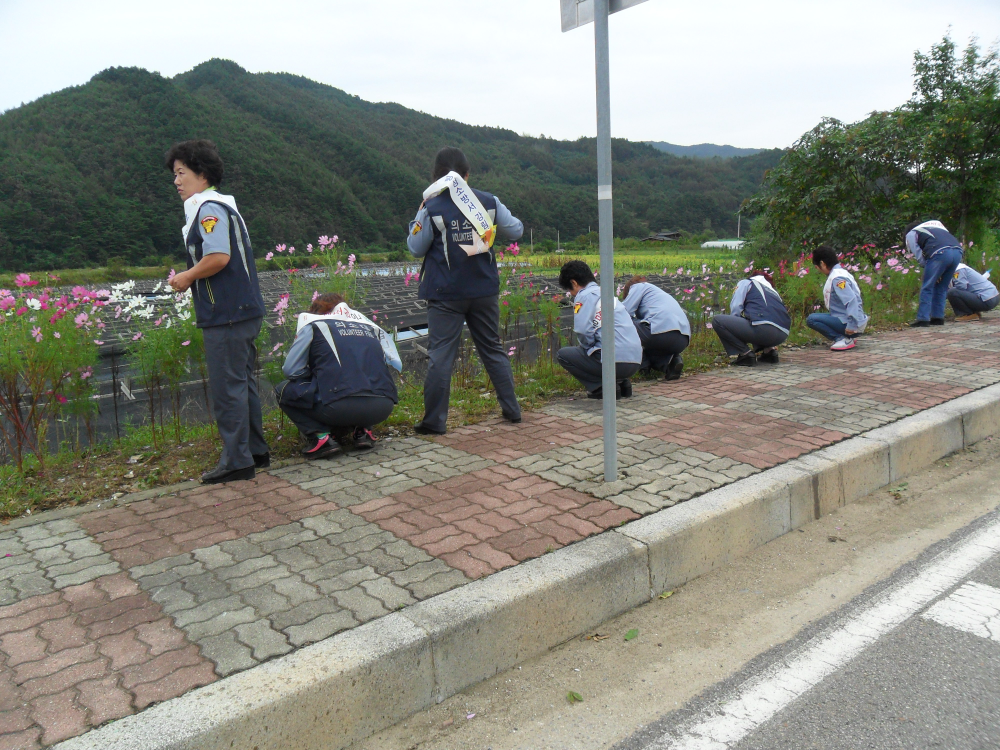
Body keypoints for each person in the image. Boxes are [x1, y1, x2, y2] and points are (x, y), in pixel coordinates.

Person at [166, 140, 269, 484]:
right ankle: (255, 451)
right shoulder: (223, 206)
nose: (176, 181)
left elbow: (218, 257)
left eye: (181, 173)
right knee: (242, 382)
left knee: (228, 388)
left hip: (226, 312)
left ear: (202, 174)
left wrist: (187, 276)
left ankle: (237, 461)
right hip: (242, 309)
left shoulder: (209, 210)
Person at [406, 147, 524, 435]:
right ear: (467, 175)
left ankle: (434, 421)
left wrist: (418, 214)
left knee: (441, 356)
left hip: (445, 293)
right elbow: (516, 231)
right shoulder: (489, 202)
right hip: (483, 290)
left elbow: (416, 248)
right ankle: (512, 409)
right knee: (492, 348)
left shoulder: (431, 207)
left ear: (436, 177)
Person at [275, 293, 401, 460]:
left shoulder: (314, 325)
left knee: (282, 390)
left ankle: (321, 437)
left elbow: (291, 370)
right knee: (362, 381)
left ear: (316, 311)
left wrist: (314, 374)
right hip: (383, 407)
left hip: (340, 406)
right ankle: (363, 431)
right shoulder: (367, 327)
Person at [557, 260, 642, 398]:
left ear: (574, 283)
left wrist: (588, 348)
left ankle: (601, 388)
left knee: (564, 355)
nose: (572, 294)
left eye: (570, 290)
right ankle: (622, 383)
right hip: (635, 361)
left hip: (614, 362)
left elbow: (583, 331)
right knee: (606, 345)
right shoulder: (607, 294)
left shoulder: (584, 296)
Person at [711, 270, 790, 366]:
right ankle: (770, 351)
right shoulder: (773, 291)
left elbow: (736, 307)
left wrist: (736, 330)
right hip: (783, 334)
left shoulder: (747, 283)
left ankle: (745, 354)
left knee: (718, 321)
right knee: (758, 321)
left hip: (763, 330)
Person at [620, 276, 689, 380]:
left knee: (621, 323)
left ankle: (643, 367)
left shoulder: (638, 287)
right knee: (650, 349)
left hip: (660, 332)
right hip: (683, 339)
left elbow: (623, 313)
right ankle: (670, 363)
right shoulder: (658, 294)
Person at [806, 245, 870, 351]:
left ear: (822, 264)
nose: (819, 271)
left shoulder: (837, 279)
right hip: (850, 320)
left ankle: (841, 338)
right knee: (819, 316)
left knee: (811, 319)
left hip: (851, 323)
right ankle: (848, 337)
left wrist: (852, 325)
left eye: (817, 267)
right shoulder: (842, 273)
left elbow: (851, 300)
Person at [904, 219, 963, 326]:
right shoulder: (936, 228)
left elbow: (918, 254)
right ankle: (938, 318)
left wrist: (928, 267)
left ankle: (923, 319)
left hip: (940, 252)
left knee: (927, 286)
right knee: (942, 287)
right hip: (957, 252)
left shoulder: (912, 233)